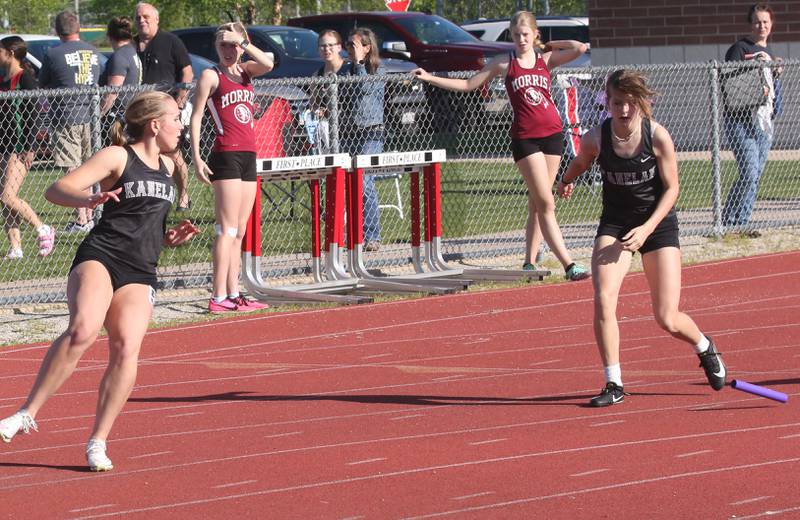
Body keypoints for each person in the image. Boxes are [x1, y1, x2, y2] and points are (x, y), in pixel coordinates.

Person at [0, 91, 199, 470]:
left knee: (126, 349)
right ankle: (26, 413)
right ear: (155, 124)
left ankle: (98, 441)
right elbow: (55, 189)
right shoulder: (118, 156)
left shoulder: (170, 168)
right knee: (84, 330)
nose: (180, 125)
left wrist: (171, 238)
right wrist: (87, 201)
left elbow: (150, 224)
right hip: (102, 256)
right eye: (175, 117)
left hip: (141, 269)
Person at [557, 69, 727, 407]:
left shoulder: (658, 136)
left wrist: (648, 228)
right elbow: (580, 161)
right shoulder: (597, 137)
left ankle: (704, 346)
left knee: (666, 317)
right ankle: (614, 383)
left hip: (657, 226)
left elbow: (673, 188)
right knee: (603, 297)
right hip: (616, 224)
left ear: (641, 103)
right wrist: (566, 180)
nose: (623, 111)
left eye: (630, 104)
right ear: (607, 102)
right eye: (616, 103)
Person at [412, 11, 589, 280]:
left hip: (553, 135)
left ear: (535, 34)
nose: (521, 40)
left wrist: (549, 45)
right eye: (516, 35)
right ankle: (568, 264)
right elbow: (469, 84)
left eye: (526, 34)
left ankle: (529, 262)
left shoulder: (545, 59)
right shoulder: (503, 63)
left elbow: (580, 48)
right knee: (546, 202)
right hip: (526, 138)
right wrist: (430, 77)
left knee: (537, 203)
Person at [190, 22, 273, 313]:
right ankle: (217, 296)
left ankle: (234, 293)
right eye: (222, 45)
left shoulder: (247, 70)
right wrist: (197, 157)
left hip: (250, 154)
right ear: (215, 47)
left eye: (232, 45)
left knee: (240, 231)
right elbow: (197, 116)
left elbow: (268, 63)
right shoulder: (211, 76)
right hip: (226, 155)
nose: (228, 50)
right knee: (226, 229)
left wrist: (244, 41)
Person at [38, 10, 102, 234]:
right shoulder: (93, 51)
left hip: (65, 116)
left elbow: (43, 83)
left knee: (71, 169)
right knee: (89, 167)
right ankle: (92, 215)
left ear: (57, 30)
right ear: (79, 28)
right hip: (90, 116)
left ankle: (82, 219)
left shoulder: (53, 54)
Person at [722, 3, 781, 235]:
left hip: (763, 123)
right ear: (751, 24)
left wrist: (775, 72)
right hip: (740, 121)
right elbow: (729, 82)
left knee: (754, 175)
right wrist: (753, 67)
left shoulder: (770, 54)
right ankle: (730, 221)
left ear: (771, 24)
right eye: (757, 21)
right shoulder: (740, 48)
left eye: (765, 21)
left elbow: (773, 91)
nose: (762, 26)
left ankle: (741, 219)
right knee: (748, 171)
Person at [134, 2, 193, 211]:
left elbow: (187, 72)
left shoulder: (170, 42)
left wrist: (179, 102)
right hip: (142, 112)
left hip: (167, 109)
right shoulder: (132, 46)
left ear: (156, 19)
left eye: (146, 17)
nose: (142, 20)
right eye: (138, 17)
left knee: (174, 155)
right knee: (144, 155)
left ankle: (184, 196)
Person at [0, 36, 55, 259]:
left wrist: (31, 146)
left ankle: (43, 228)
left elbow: (34, 116)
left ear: (10, 53)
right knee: (4, 201)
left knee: (7, 196)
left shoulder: (26, 79)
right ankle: (16, 248)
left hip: (20, 146)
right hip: (3, 145)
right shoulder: (3, 78)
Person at [342, 28, 384, 252]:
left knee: (365, 183)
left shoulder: (378, 70)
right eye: (347, 44)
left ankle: (372, 235)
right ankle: (352, 234)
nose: (348, 49)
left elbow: (365, 87)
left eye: (354, 44)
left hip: (371, 133)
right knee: (348, 183)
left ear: (367, 48)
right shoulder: (346, 71)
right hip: (348, 132)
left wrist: (359, 65)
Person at [100, 16, 142, 121]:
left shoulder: (120, 56)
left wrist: (97, 115)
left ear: (109, 36)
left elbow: (112, 93)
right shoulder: (131, 52)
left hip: (116, 117)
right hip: (128, 112)